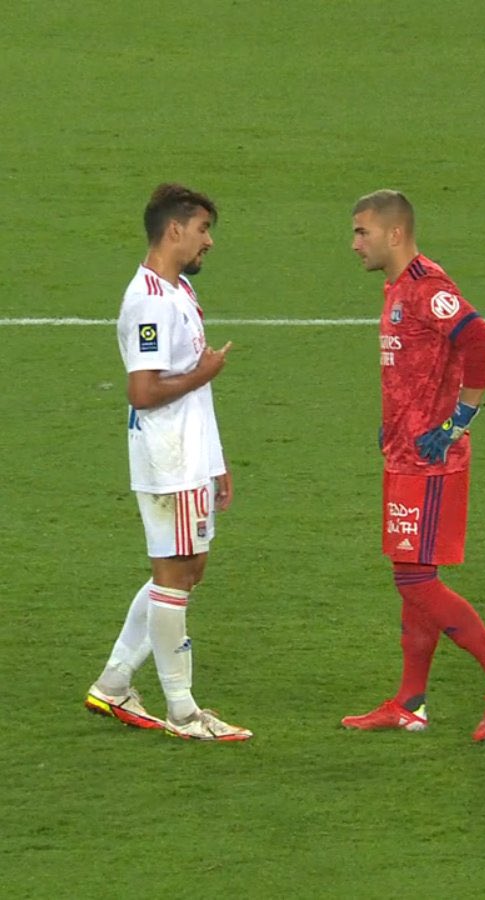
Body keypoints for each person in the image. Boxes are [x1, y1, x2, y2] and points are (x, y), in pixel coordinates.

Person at [343, 189, 485, 742]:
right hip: (405, 454)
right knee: (413, 579)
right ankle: (411, 702)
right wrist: (394, 423)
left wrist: (457, 423)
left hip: (429, 464)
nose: (355, 243)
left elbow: (482, 341)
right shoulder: (398, 287)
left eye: (362, 232)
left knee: (415, 579)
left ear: (394, 233)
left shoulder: (428, 288)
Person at [84, 183, 252, 742]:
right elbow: (143, 391)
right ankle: (182, 712)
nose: (208, 242)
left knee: (185, 572)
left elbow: (191, 392)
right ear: (174, 230)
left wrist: (215, 459)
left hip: (189, 456)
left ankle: (113, 684)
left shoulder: (178, 290)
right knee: (175, 576)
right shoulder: (151, 301)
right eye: (202, 230)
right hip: (168, 460)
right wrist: (205, 373)